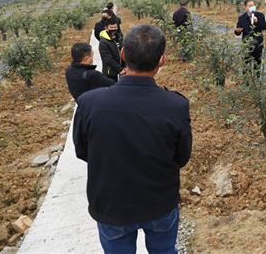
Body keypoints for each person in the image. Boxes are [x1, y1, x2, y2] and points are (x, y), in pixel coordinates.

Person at [74, 25, 192, 254]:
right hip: (159, 203)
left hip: (111, 206)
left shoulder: (90, 103)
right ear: (162, 61)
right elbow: (181, 157)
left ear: (123, 55)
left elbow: (82, 151)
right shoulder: (175, 105)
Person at [234, 0, 266, 70]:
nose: (252, 7)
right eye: (250, 6)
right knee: (246, 65)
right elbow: (238, 31)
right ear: (245, 7)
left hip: (258, 44)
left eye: (253, 5)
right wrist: (237, 31)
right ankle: (246, 80)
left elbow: (264, 27)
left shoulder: (260, 15)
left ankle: (256, 79)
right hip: (247, 45)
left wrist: (257, 21)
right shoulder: (242, 18)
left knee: (257, 65)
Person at [99, 16, 124, 81]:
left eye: (115, 27)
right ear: (106, 28)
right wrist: (120, 69)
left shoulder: (119, 37)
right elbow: (108, 58)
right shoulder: (103, 42)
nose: (113, 29)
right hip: (110, 71)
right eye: (111, 27)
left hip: (123, 69)